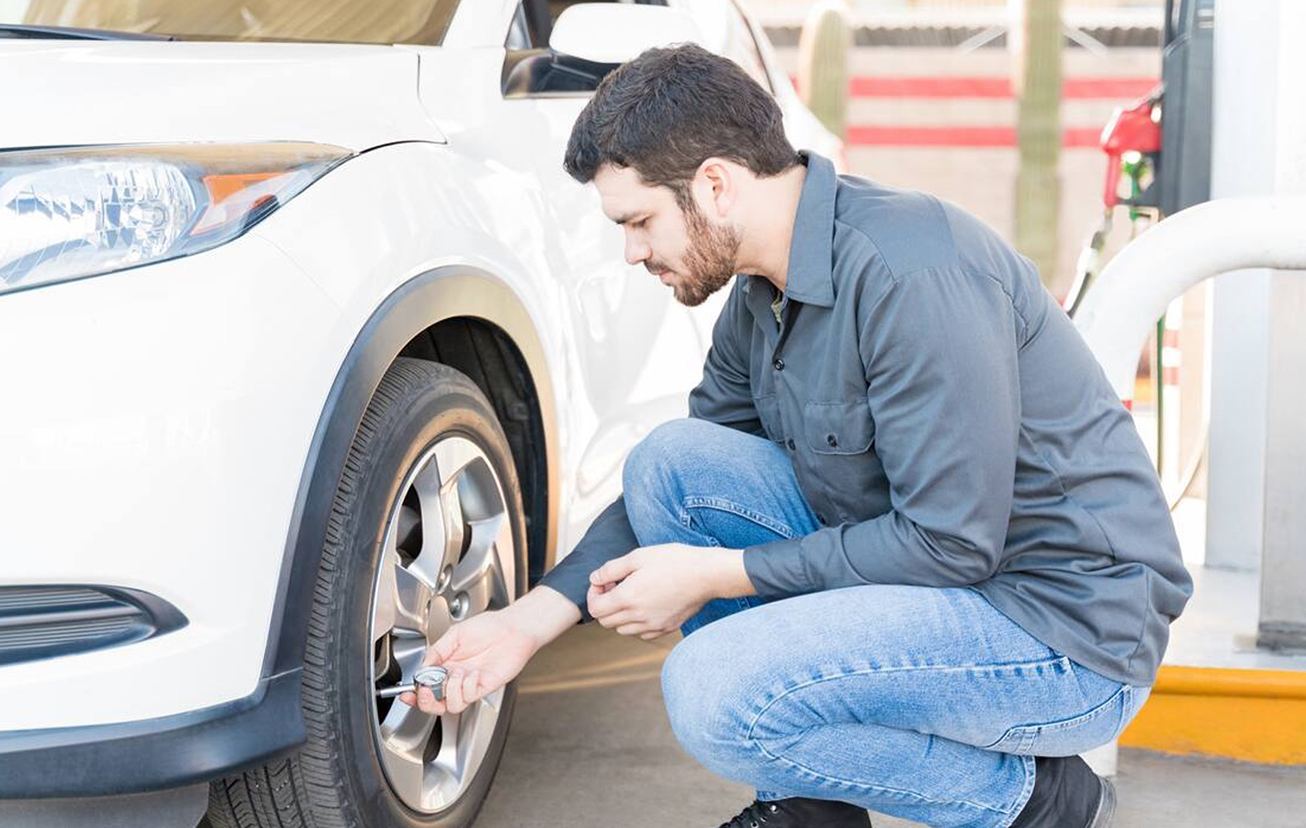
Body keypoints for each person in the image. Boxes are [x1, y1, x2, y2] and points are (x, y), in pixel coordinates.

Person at [399, 43, 1193, 828]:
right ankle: (813, 809)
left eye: (639, 220)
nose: (632, 251)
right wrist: (527, 622)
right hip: (950, 587)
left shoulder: (912, 275)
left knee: (712, 693)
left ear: (714, 184)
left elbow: (952, 543)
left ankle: (1039, 805)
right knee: (670, 466)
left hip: (1060, 634)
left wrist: (719, 572)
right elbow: (673, 495)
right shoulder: (760, 297)